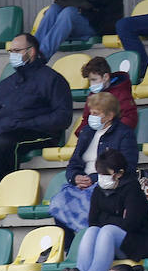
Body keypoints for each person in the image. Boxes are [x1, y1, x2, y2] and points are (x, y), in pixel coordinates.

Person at [0, 33, 73, 182]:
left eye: (17, 51)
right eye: (11, 51)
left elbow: (63, 117)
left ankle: (11, 185)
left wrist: (24, 124)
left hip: (43, 133)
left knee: (7, 142)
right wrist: (4, 126)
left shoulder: (52, 79)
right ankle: (8, 183)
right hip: (8, 132)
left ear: (32, 51)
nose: (12, 55)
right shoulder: (6, 83)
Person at [58, 149, 148, 271]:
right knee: (92, 231)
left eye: (106, 174)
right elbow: (92, 221)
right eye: (100, 174)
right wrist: (116, 219)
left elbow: (130, 224)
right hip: (114, 242)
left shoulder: (132, 189)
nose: (102, 178)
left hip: (138, 242)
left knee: (107, 230)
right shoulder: (99, 190)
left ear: (119, 173)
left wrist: (105, 218)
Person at [48, 92, 140, 238]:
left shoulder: (124, 134)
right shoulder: (86, 132)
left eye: (96, 113)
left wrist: (94, 178)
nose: (92, 116)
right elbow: (73, 163)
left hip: (106, 184)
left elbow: (128, 165)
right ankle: (69, 246)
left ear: (109, 116)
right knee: (59, 202)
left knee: (89, 203)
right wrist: (75, 177)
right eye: (91, 113)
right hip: (82, 184)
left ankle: (87, 238)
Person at [76, 56, 137, 135]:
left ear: (105, 77)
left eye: (94, 80)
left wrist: (112, 133)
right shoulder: (93, 95)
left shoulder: (121, 93)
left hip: (116, 138)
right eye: (89, 81)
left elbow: (130, 118)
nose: (91, 84)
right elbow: (86, 118)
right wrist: (81, 133)